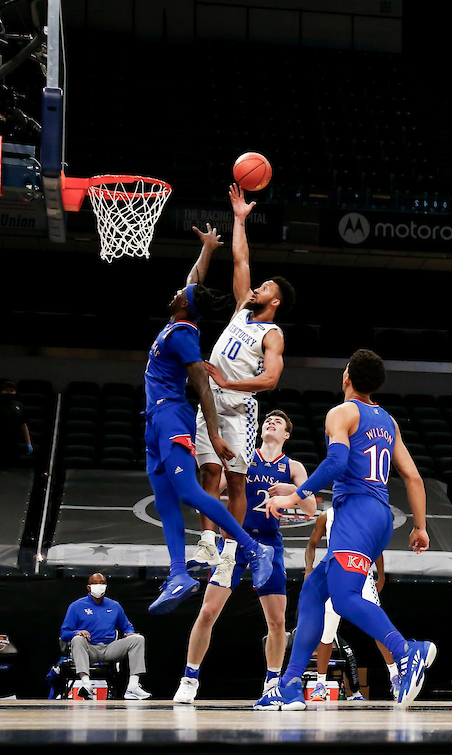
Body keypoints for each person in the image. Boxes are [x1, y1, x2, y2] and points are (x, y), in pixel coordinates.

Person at [257, 349, 435, 710]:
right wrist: (419, 527)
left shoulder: (342, 412)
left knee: (344, 598)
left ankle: (406, 651)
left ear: (348, 376)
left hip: (356, 511)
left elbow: (337, 462)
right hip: (379, 515)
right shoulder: (388, 420)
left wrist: (295, 495)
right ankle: (290, 684)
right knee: (312, 592)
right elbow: (414, 477)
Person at [142, 235, 275, 614]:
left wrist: (213, 434)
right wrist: (208, 250)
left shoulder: (184, 334)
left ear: (186, 304)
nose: (177, 292)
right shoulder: (179, 319)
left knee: (188, 491)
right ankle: (178, 574)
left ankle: (252, 548)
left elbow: (201, 384)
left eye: (182, 293)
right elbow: (193, 279)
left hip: (172, 415)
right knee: (167, 501)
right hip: (153, 421)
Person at [190, 184, 296, 576]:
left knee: (235, 482)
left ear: (276, 302)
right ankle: (206, 543)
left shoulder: (273, 334)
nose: (257, 288)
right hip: (209, 401)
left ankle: (232, 547)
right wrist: (238, 218)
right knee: (208, 474)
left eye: (265, 288)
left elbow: (269, 380)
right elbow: (240, 259)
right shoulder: (241, 310)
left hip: (238, 409)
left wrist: (227, 382)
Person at [174, 410, 309, 704]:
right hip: (234, 541)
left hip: (269, 543)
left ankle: (272, 683)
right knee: (208, 611)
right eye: (267, 420)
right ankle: (189, 678)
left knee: (276, 620)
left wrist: (292, 491)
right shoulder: (244, 457)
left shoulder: (292, 466)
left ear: (286, 434)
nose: (270, 423)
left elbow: (310, 507)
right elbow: (209, 491)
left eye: (278, 422)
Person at [304, 506, 397, 701]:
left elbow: (376, 547)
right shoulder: (326, 516)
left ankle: (395, 678)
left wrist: (380, 575)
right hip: (335, 572)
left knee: (378, 628)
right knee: (327, 633)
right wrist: (308, 569)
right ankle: (320, 684)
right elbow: (312, 544)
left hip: (361, 572)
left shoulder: (364, 513)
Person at [59, 574, 150, 700]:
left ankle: (133, 687)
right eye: (95, 583)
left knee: (138, 639)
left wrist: (129, 632)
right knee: (77, 639)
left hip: (110, 648)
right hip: (88, 648)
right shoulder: (76, 606)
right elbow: (64, 633)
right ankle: (86, 684)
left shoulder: (114, 606)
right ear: (88, 587)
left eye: (102, 583)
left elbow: (126, 625)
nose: (99, 586)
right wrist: (77, 632)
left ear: (106, 586)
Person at [0, 381, 31, 469]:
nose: (9, 393)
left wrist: (28, 443)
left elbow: (23, 425)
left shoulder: (19, 406)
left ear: (15, 392)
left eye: (12, 391)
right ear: (2, 391)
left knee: (11, 467)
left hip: (13, 442)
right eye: (6, 390)